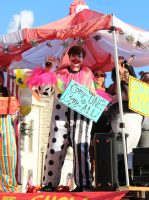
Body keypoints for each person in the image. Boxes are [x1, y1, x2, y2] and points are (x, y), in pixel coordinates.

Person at [40, 46, 96, 192]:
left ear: (83, 59)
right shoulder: (60, 73)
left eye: (79, 56)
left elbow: (93, 93)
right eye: (73, 55)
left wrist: (92, 97)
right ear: (69, 57)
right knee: (55, 147)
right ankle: (49, 184)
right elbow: (45, 92)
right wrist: (48, 70)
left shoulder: (87, 73)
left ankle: (84, 184)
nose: (76, 58)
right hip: (61, 116)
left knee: (81, 149)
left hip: (80, 118)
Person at [108, 56, 142, 172]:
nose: (124, 74)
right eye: (122, 72)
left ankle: (130, 174)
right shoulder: (115, 86)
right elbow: (119, 92)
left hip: (136, 119)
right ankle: (120, 176)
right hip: (122, 117)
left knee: (132, 149)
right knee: (123, 147)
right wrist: (119, 73)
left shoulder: (135, 87)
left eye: (127, 72)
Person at [90, 69, 112, 178]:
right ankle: (90, 178)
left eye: (102, 75)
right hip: (93, 121)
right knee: (93, 153)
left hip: (106, 122)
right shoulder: (89, 89)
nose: (99, 77)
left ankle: (104, 177)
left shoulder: (109, 90)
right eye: (96, 75)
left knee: (105, 152)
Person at [0, 71, 18, 192]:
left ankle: (7, 186)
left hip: (5, 124)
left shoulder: (7, 92)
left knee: (7, 154)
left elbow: (14, 110)